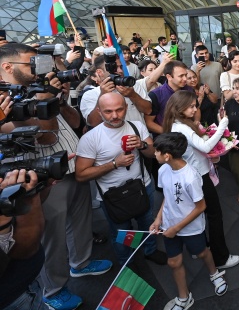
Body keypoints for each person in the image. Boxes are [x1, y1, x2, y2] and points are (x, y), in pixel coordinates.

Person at [0, 43, 111, 310]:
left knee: (79, 222)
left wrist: (58, 99)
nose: (40, 69)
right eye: (32, 63)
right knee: (50, 237)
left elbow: (73, 122)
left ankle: (81, 263)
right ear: (8, 67)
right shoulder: (7, 100)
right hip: (41, 177)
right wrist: (43, 99)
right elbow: (47, 135)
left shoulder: (39, 87)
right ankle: (53, 290)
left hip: (72, 166)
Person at [75, 92, 167, 266]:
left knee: (147, 222)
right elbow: (81, 175)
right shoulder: (90, 138)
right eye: (108, 111)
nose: (115, 115)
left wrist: (142, 145)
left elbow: (153, 153)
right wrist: (114, 164)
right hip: (113, 195)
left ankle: (150, 250)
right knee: (121, 232)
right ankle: (126, 262)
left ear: (126, 108)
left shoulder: (136, 126)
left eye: (119, 110)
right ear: (99, 112)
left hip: (142, 186)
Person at [162, 91, 239, 270]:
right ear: (179, 108)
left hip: (194, 174)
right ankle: (220, 258)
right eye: (191, 106)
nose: (194, 109)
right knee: (214, 216)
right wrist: (223, 125)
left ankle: (199, 249)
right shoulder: (181, 128)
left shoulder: (177, 125)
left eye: (194, 105)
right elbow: (204, 145)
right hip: (199, 177)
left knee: (200, 215)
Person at [150, 133, 228, 310]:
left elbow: (201, 207)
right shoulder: (163, 171)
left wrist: (176, 228)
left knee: (202, 253)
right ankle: (184, 297)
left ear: (167, 155)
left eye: (157, 151)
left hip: (190, 228)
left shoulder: (191, 176)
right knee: (173, 262)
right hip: (169, 226)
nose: (154, 154)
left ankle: (214, 273)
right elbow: (167, 198)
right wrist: (158, 218)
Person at [0, 170, 47, 310]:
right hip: (13, 299)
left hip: (26, 282)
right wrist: (3, 222)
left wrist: (39, 187)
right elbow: (24, 250)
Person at [80, 54, 151, 128]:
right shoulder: (90, 95)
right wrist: (102, 95)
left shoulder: (133, 86)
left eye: (121, 67)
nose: (120, 71)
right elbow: (93, 122)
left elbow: (148, 110)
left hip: (140, 136)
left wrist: (133, 95)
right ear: (99, 72)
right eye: (114, 68)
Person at [145, 61, 197, 135]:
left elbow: (197, 109)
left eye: (185, 75)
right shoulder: (156, 95)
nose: (185, 79)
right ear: (169, 77)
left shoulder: (189, 89)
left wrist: (196, 121)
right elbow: (149, 122)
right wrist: (169, 133)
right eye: (181, 76)